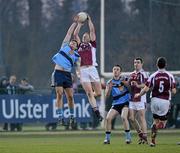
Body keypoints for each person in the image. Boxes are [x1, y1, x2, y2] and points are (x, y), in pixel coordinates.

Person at [135, 57, 176, 147]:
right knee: (162, 124)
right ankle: (156, 127)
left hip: (154, 100)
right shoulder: (170, 76)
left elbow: (145, 89)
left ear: (157, 65)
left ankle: (153, 141)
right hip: (164, 101)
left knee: (155, 121)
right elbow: (173, 91)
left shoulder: (153, 76)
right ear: (165, 65)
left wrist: (139, 95)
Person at [73, 14, 103, 121]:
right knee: (89, 93)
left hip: (92, 68)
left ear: (90, 38)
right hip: (83, 70)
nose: (86, 36)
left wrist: (89, 20)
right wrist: (79, 24)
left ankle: (91, 99)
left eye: (87, 36)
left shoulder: (92, 45)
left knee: (98, 93)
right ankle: (97, 112)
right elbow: (75, 34)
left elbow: (92, 31)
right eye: (84, 36)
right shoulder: (79, 45)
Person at [51, 19, 80, 127]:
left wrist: (79, 75)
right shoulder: (64, 46)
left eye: (74, 43)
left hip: (67, 75)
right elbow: (69, 33)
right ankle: (60, 116)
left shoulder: (76, 56)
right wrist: (75, 23)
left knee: (70, 97)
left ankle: (72, 116)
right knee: (59, 94)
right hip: (58, 72)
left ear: (76, 47)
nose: (72, 43)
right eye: (72, 42)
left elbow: (79, 67)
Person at [103, 65, 131, 144]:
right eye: (114, 69)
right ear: (112, 71)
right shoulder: (110, 82)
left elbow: (131, 89)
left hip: (125, 103)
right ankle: (107, 139)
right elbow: (107, 96)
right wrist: (110, 88)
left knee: (123, 117)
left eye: (117, 69)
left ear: (120, 72)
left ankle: (128, 138)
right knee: (108, 118)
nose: (115, 71)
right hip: (116, 104)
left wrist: (126, 84)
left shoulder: (125, 79)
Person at [128, 57, 148, 144]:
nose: (136, 64)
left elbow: (147, 85)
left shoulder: (144, 74)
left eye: (138, 62)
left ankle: (145, 137)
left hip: (141, 98)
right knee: (131, 118)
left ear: (142, 64)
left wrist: (138, 85)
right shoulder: (131, 74)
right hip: (132, 98)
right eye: (135, 62)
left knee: (141, 118)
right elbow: (129, 85)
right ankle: (140, 134)